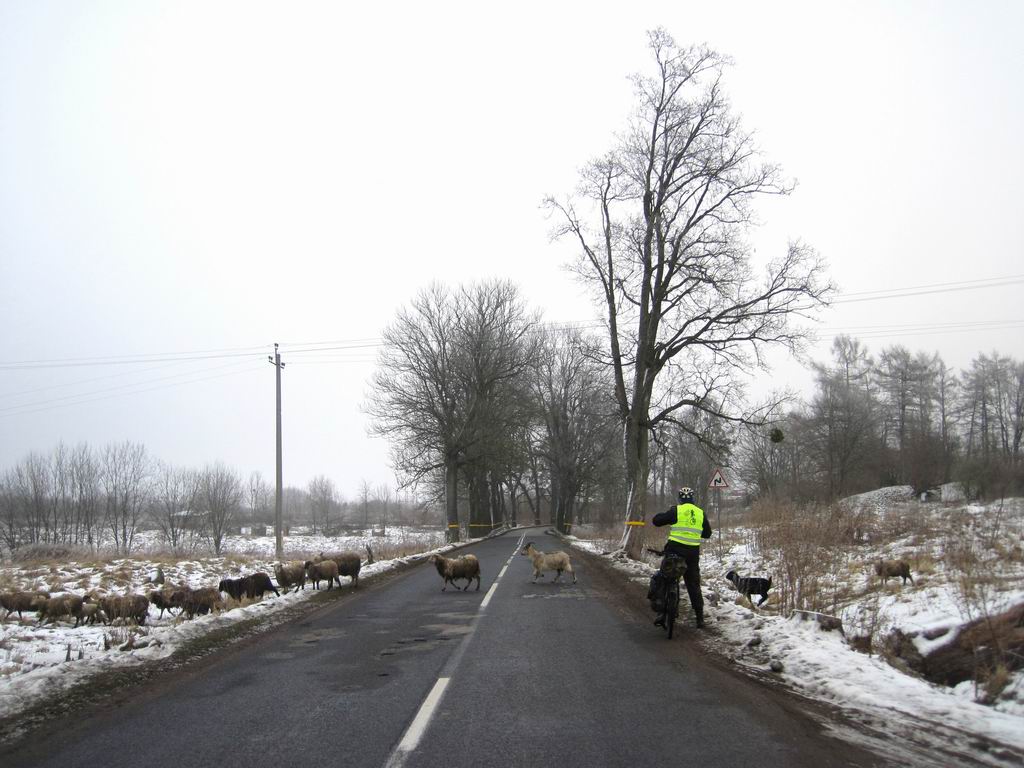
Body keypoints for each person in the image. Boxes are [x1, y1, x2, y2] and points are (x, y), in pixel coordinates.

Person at [651, 486, 712, 628]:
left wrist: (662, 516)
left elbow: (656, 521)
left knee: (664, 577)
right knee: (693, 584)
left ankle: (661, 611)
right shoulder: (700, 513)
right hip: (692, 554)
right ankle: (700, 618)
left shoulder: (676, 511)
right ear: (693, 499)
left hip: (675, 551)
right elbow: (707, 533)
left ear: (680, 499)